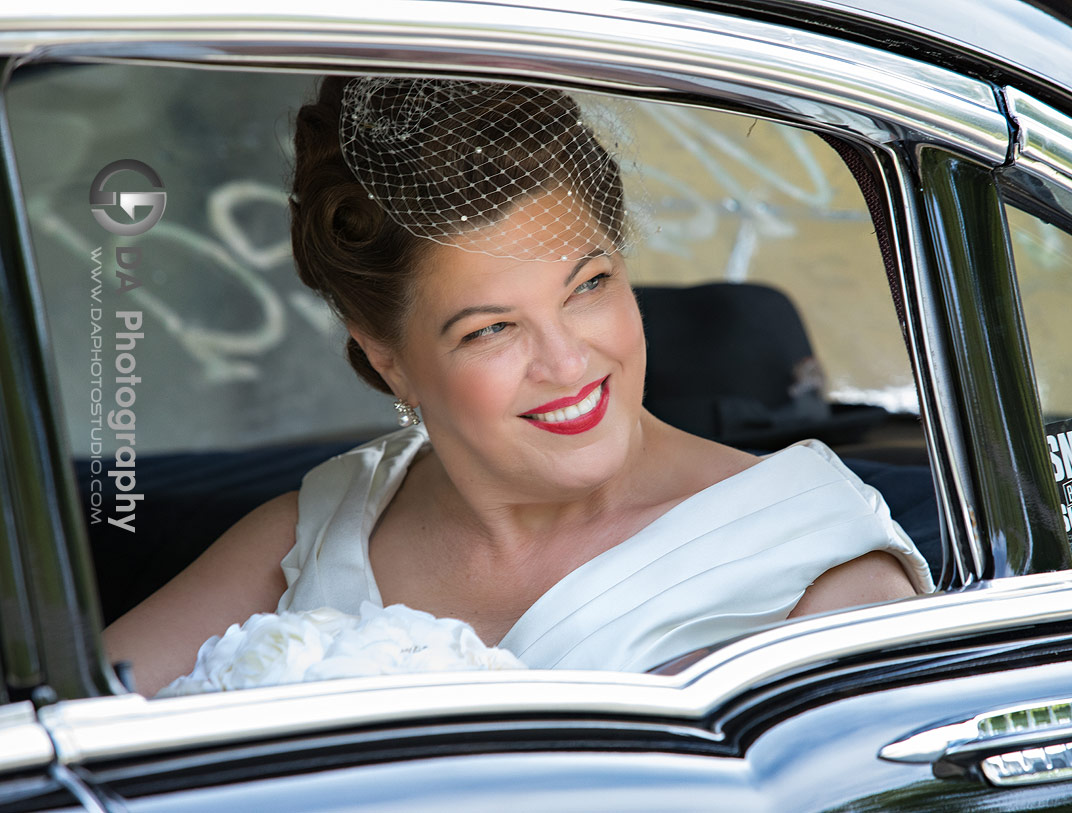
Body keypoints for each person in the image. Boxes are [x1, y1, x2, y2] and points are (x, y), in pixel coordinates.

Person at [104, 76, 932, 697]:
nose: (567, 362)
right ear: (387, 356)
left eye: (589, 285)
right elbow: (49, 743)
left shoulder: (821, 566)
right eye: (491, 328)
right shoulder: (316, 530)